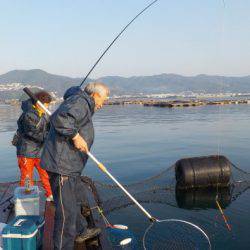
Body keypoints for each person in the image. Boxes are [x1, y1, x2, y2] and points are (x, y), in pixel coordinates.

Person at [41, 82, 110, 250]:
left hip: (69, 167)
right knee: (66, 215)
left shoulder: (81, 103)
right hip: (63, 167)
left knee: (73, 205)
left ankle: (81, 230)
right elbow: (60, 119)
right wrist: (75, 136)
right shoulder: (81, 102)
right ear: (95, 95)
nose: (104, 103)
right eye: (104, 99)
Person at [15, 90, 53, 201]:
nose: (47, 107)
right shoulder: (28, 115)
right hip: (27, 151)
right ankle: (26, 197)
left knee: (46, 173)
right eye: (46, 105)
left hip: (40, 151)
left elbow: (49, 129)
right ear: (38, 104)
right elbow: (33, 133)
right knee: (27, 176)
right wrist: (50, 137)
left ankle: (50, 194)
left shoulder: (44, 115)